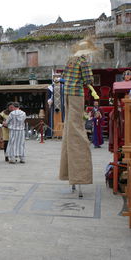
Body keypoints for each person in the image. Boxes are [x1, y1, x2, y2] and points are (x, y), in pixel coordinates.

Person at [60, 38, 98, 192]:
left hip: (67, 95)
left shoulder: (70, 61)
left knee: (70, 129)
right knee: (76, 130)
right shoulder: (83, 62)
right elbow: (89, 79)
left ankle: (70, 175)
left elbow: (64, 78)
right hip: (77, 95)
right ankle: (79, 175)